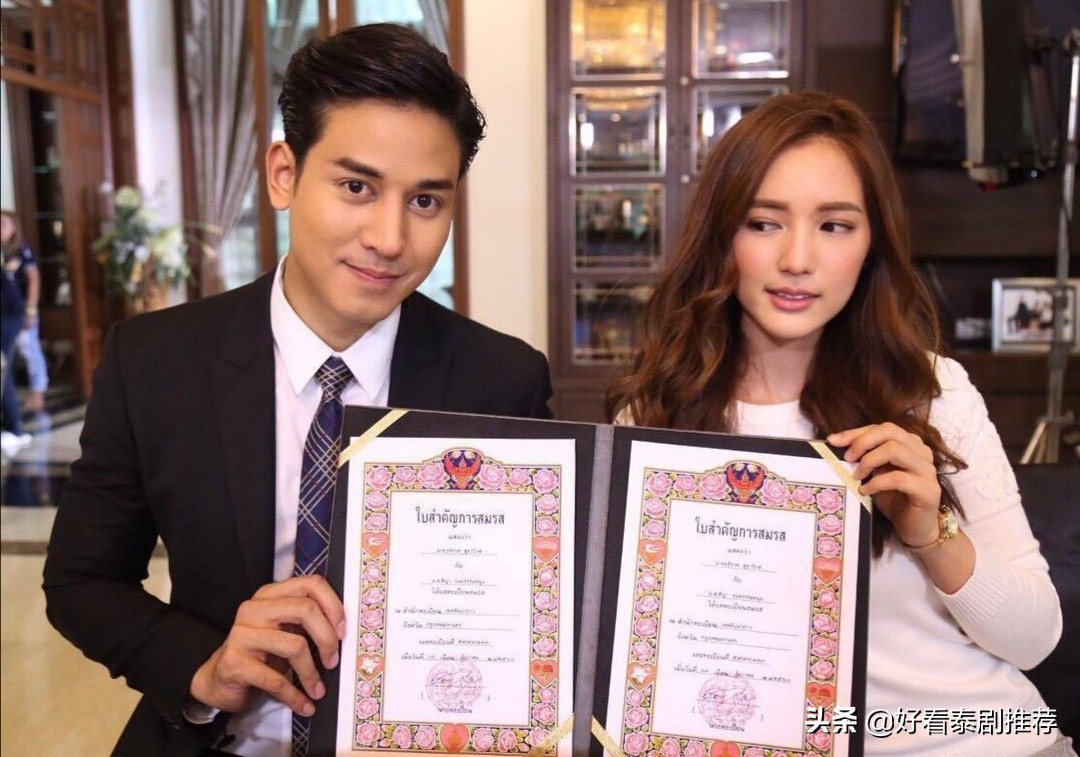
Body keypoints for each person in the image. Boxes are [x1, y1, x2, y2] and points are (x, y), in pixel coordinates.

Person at [43, 23, 553, 756]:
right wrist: (205, 668)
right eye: (357, 187)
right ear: (284, 174)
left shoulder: (501, 381)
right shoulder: (156, 362)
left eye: (425, 201)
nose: (388, 238)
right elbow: (82, 581)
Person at [608, 92, 1069, 756]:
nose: (798, 258)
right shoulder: (654, 420)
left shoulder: (930, 393)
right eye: (763, 222)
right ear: (720, 235)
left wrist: (931, 532)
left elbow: (1036, 639)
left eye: (834, 225)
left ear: (872, 242)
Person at [1, 209, 49, 413]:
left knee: (29, 350)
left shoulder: (22, 251)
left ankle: (38, 392)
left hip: (21, 310)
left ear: (14, 227)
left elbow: (33, 280)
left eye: (3, 224)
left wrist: (30, 310)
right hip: (4, 313)